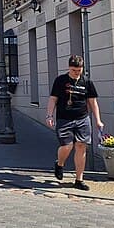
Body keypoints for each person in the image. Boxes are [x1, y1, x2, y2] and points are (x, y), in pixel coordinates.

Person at [47, 55, 104, 191]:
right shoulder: (60, 81)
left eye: (79, 70)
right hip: (64, 118)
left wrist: (98, 120)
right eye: (73, 70)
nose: (76, 73)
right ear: (69, 68)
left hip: (82, 118)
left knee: (81, 146)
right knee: (67, 146)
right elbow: (53, 99)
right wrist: (49, 115)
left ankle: (79, 179)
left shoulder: (87, 82)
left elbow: (93, 102)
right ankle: (60, 164)